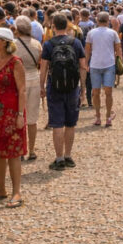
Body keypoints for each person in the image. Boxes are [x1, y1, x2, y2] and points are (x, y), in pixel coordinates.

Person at [0, 27, 27, 208]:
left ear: (5, 43)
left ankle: (17, 191)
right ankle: (1, 189)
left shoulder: (16, 63)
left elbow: (22, 90)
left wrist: (20, 115)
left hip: (10, 112)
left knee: (13, 153)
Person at [40, 13, 88, 170]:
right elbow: (83, 66)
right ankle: (68, 155)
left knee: (57, 124)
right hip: (73, 87)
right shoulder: (75, 43)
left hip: (55, 87)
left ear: (53, 26)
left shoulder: (48, 45)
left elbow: (44, 68)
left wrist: (42, 86)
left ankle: (59, 158)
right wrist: (83, 89)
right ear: (67, 26)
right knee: (70, 123)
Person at [13, 16, 43, 161]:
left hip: (17, 81)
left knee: (18, 115)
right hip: (34, 79)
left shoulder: (12, 45)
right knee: (32, 118)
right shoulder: (37, 44)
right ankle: (31, 149)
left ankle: (20, 149)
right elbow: (39, 62)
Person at [85, 11, 121, 127]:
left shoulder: (91, 33)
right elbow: (118, 50)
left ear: (97, 20)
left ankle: (98, 116)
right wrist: (119, 62)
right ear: (108, 21)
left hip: (95, 64)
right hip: (109, 64)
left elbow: (87, 50)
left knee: (95, 92)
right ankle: (108, 117)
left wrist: (86, 63)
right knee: (108, 92)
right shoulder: (113, 33)